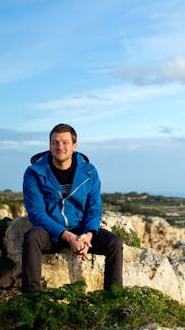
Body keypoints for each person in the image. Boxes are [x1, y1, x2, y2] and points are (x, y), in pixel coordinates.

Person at [21, 123, 123, 293]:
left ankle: (114, 300)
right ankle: (31, 300)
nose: (60, 147)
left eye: (65, 142)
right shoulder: (34, 172)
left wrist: (88, 235)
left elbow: (94, 208)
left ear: (74, 145)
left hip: (81, 230)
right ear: (49, 145)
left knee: (114, 243)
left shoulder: (89, 172)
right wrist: (68, 237)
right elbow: (36, 213)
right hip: (51, 232)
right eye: (55, 142)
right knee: (32, 237)